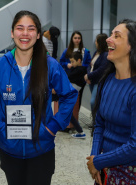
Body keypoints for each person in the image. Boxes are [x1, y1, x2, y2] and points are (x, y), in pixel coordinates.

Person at [0, 10, 78, 185]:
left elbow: (69, 95)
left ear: (38, 34)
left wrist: (52, 127)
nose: (25, 33)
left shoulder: (50, 65)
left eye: (31, 29)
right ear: (12, 33)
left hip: (42, 149)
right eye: (20, 28)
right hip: (9, 150)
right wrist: (1, 130)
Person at [86, 19, 136, 185]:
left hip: (129, 173)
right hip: (104, 168)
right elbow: (100, 124)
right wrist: (95, 157)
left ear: (131, 46)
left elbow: (135, 145)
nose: (108, 39)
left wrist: (99, 162)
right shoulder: (107, 80)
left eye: (117, 36)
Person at [84, 33, 109, 114]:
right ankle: (95, 122)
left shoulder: (105, 54)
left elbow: (101, 69)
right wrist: (88, 76)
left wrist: (88, 75)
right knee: (96, 102)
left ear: (100, 42)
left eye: (96, 41)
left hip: (98, 81)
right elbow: (90, 65)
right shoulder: (96, 52)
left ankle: (96, 122)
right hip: (92, 81)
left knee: (93, 102)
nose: (95, 42)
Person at [67, 51, 87, 138]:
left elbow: (68, 76)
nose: (71, 64)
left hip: (70, 93)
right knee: (67, 112)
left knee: (68, 112)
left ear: (79, 60)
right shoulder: (78, 69)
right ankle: (79, 131)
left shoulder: (81, 70)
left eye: (72, 61)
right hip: (70, 93)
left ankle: (80, 131)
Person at [42, 26, 61, 114]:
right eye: (52, 37)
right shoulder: (39, 39)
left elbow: (54, 56)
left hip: (49, 70)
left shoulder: (54, 41)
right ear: (48, 32)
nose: (52, 40)